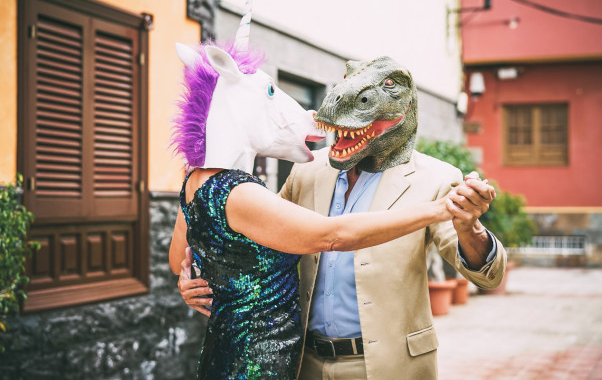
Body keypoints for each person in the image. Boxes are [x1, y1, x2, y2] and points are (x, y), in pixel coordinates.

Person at [178, 55, 507, 380]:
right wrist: (201, 278)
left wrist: (469, 228)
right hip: (304, 361)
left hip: (387, 366)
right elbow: (256, 241)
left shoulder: (437, 178)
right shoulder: (306, 169)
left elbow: (487, 276)